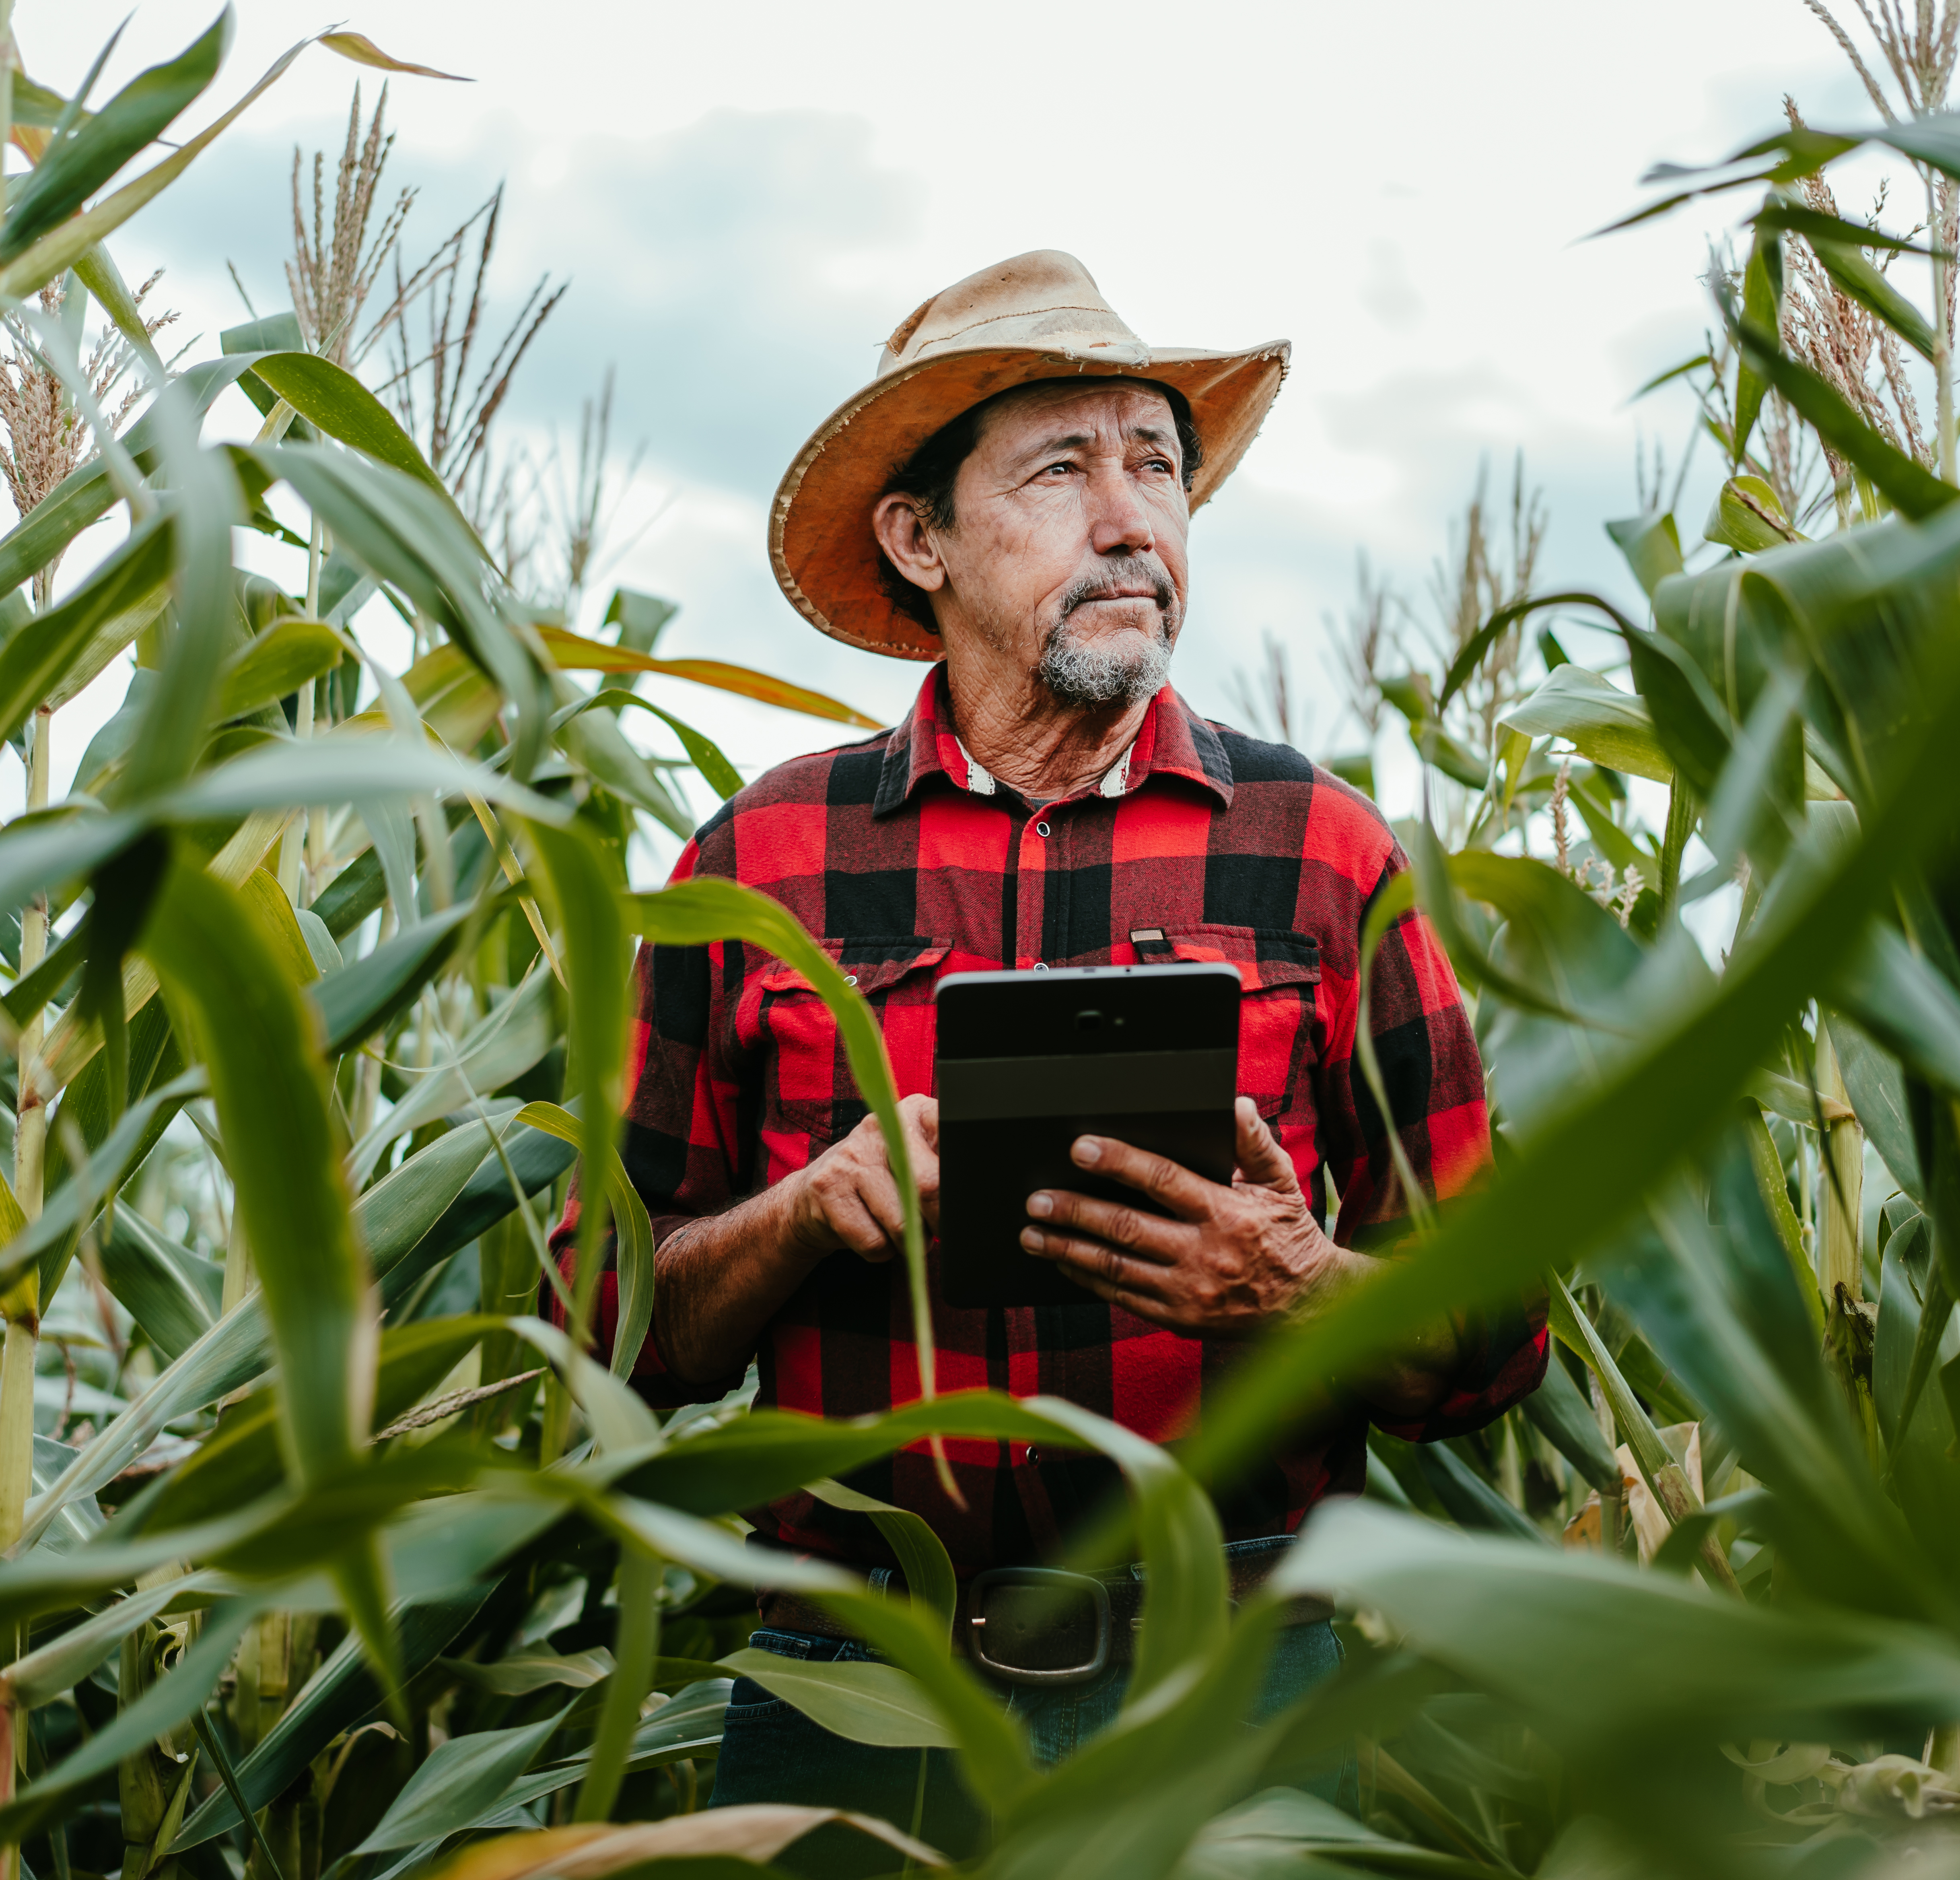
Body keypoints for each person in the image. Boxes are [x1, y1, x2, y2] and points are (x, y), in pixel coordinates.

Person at [556, 251, 1542, 1861]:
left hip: (1233, 1678)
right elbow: (605, 1326)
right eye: (1061, 469)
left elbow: (1494, 1349)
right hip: (850, 1687)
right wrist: (809, 1209)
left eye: (1157, 465)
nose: (1131, 516)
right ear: (918, 537)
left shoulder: (1322, 855)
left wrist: (1293, 1280)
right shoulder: (765, 861)